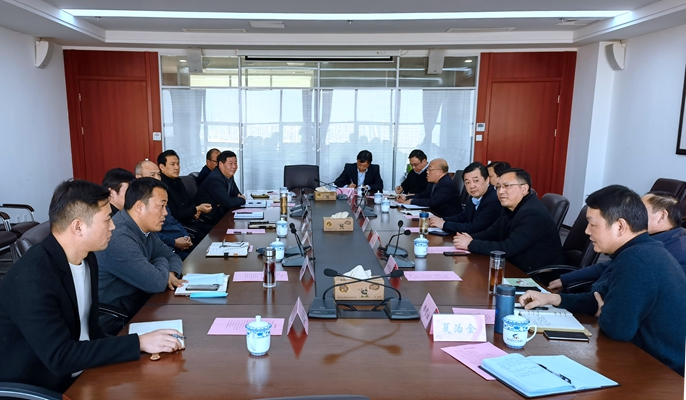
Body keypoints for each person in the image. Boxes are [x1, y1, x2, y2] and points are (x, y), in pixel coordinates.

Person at [0, 180, 182, 393]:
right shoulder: (31, 277)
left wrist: (142, 345)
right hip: (42, 385)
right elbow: (60, 357)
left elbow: (92, 332)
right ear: (78, 227)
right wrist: (138, 343)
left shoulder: (87, 258)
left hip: (85, 368)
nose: (113, 226)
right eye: (107, 220)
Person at [520, 185, 686, 375]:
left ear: (620, 226)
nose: (587, 231)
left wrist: (604, 311)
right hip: (643, 357)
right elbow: (600, 298)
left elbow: (617, 329)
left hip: (661, 371)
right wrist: (553, 299)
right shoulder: (640, 251)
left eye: (593, 224)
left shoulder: (637, 260)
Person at [96, 178, 185, 335]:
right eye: (161, 206)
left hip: (142, 303)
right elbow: (157, 282)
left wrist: (170, 273)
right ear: (139, 207)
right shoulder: (118, 236)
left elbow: (173, 257)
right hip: (117, 320)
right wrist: (160, 261)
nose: (165, 212)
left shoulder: (146, 228)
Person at [548, 191, 686, 291]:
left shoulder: (678, 254)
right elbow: (609, 266)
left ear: (662, 216)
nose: (635, 215)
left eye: (642, 210)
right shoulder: (648, 241)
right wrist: (566, 279)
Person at [453, 168, 564, 272]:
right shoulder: (510, 207)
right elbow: (492, 232)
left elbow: (508, 248)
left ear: (524, 189)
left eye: (507, 186)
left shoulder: (532, 213)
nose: (500, 191)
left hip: (536, 275)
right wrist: (469, 237)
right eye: (498, 187)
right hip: (515, 265)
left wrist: (471, 244)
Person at [135, 160, 194, 260]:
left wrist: (185, 235)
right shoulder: (139, 202)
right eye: (152, 175)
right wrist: (174, 242)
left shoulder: (160, 196)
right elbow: (153, 235)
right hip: (168, 248)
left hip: (180, 243)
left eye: (158, 174)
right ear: (139, 177)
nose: (157, 178)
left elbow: (173, 220)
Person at [429, 162, 501, 233]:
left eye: (476, 181)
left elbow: (474, 228)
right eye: (467, 182)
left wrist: (444, 224)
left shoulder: (493, 200)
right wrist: (441, 220)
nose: (472, 186)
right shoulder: (474, 196)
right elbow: (463, 217)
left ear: (487, 180)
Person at [158, 149, 212, 226]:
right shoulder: (161, 187)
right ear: (162, 167)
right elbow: (174, 214)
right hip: (179, 226)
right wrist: (195, 209)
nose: (177, 167)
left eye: (178, 164)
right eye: (172, 164)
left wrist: (195, 211)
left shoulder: (178, 181)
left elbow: (189, 201)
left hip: (191, 220)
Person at [396, 158, 462, 218]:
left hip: (447, 219)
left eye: (430, 169)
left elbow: (432, 202)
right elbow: (424, 195)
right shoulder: (433, 182)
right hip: (435, 214)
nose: (427, 172)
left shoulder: (446, 184)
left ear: (439, 172)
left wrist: (412, 201)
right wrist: (406, 198)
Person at [195, 150, 247, 224]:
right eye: (230, 163)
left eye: (235, 163)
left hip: (222, 214)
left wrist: (235, 199)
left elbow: (236, 194)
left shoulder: (228, 175)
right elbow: (228, 202)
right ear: (221, 164)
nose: (234, 166)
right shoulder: (215, 178)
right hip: (209, 220)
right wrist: (241, 199)